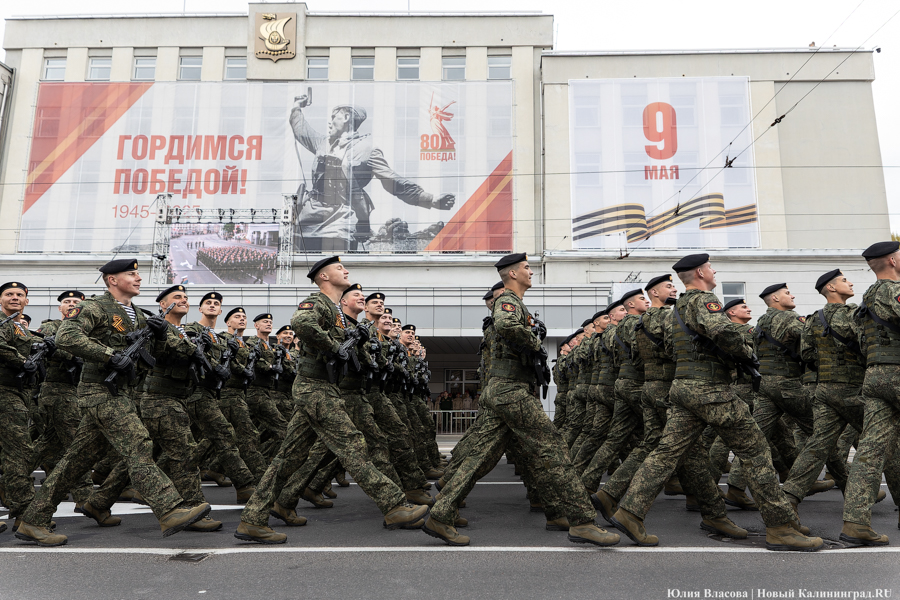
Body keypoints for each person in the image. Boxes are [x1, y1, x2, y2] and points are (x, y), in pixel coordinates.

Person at [609, 253, 822, 551]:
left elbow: (671, 346)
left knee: (665, 453)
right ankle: (781, 527)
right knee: (756, 451)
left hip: (684, 387)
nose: (714, 270)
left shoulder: (679, 307)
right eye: (710, 267)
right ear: (700, 272)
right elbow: (722, 330)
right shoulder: (703, 301)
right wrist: (746, 349)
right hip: (711, 390)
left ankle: (629, 511)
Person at [423, 253, 620, 548]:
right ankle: (583, 521)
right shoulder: (509, 301)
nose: (531, 272)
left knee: (482, 456)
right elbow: (505, 325)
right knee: (553, 449)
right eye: (527, 268)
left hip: (505, 391)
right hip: (511, 392)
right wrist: (534, 344)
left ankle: (441, 513)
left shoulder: (517, 303)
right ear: (513, 274)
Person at [235, 256, 428, 544]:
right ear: (324, 276)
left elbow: (350, 353)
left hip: (324, 387)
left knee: (289, 457)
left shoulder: (336, 312)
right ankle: (394, 505)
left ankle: (258, 516)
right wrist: (334, 346)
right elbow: (301, 323)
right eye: (339, 268)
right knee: (353, 445)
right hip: (315, 388)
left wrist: (357, 341)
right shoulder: (318, 302)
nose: (346, 271)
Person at [15, 260, 209, 546]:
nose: (139, 278)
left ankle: (33, 520)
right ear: (111, 280)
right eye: (131, 274)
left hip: (124, 393)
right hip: (99, 390)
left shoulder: (138, 316)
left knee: (75, 461)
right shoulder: (95, 307)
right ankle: (169, 509)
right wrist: (109, 355)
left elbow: (153, 355)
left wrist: (159, 334)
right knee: (139, 445)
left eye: (137, 273)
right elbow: (66, 336)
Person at [289, 95, 456, 250]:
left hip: (340, 219)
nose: (330, 122)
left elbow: (393, 181)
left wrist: (431, 200)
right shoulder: (322, 143)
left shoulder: (367, 150)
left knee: (333, 267)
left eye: (334, 117)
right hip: (309, 216)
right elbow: (301, 131)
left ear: (347, 118)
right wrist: (297, 107)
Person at [841, 242, 900, 545]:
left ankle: (856, 522)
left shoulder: (867, 297)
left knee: (870, 452)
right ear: (892, 259)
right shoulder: (893, 290)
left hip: (875, 376)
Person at [184, 292, 257, 505]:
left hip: (211, 393)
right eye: (208, 303)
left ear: (220, 310)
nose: (212, 305)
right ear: (200, 309)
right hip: (195, 392)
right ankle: (244, 485)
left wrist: (241, 368)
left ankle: (170, 472)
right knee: (223, 435)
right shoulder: (191, 330)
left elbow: (228, 362)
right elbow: (192, 352)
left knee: (198, 442)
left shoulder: (218, 337)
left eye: (216, 303)